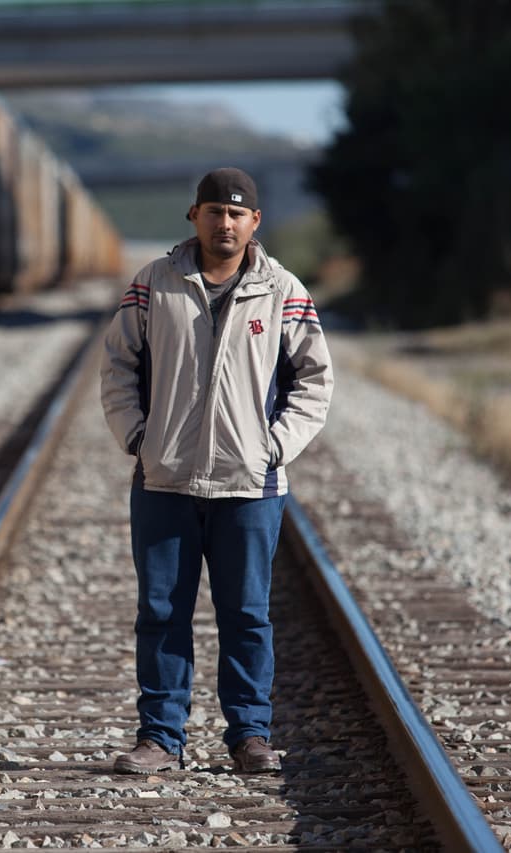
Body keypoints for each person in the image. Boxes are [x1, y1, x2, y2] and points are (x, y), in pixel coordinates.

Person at [99, 167, 333, 774]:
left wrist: (275, 446)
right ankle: (160, 738)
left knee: (247, 614)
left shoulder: (283, 289)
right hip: (165, 480)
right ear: (194, 216)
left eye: (236, 213)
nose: (223, 223)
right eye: (213, 211)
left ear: (254, 222)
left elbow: (314, 380)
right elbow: (117, 366)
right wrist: (137, 437)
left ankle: (250, 735)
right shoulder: (154, 283)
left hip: (250, 486)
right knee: (160, 612)